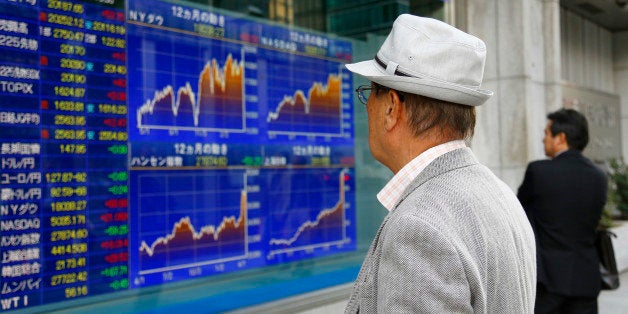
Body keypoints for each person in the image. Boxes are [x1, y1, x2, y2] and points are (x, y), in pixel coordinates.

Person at [344, 14, 536, 313]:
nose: (367, 106)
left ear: (392, 107)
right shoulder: (499, 192)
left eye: (369, 93)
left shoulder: (418, 228)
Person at [517, 108, 608, 313]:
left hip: (548, 281)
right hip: (586, 279)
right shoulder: (599, 176)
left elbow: (519, 216)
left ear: (561, 138)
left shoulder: (539, 172)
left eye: (546, 133)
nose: (543, 140)